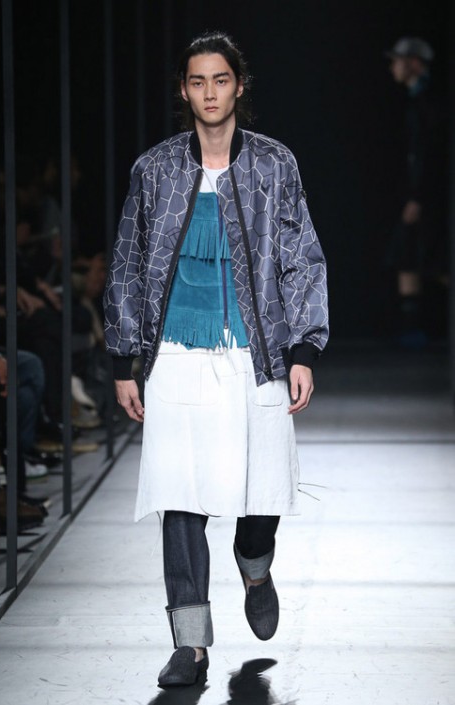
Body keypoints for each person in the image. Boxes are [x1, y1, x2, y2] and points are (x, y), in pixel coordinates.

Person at [104, 31, 328, 687]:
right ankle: (191, 644)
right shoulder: (154, 171)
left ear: (238, 85)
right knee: (180, 499)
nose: (209, 92)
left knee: (262, 495)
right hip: (176, 354)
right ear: (184, 89)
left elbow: (301, 256)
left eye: (220, 80)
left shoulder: (274, 165)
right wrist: (123, 359)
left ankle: (255, 566)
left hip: (256, 353)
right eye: (198, 81)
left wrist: (304, 348)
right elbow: (127, 263)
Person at [386, 37, 447, 346]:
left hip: (431, 198)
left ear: (414, 63)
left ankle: (422, 330)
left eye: (398, 60)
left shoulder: (432, 102)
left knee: (434, 259)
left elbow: (431, 154)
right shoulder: (414, 101)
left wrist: (418, 197)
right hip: (419, 194)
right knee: (410, 255)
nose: (393, 67)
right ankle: (413, 330)